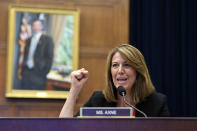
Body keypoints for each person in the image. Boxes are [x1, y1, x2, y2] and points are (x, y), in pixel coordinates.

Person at [59, 44, 169, 117]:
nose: (120, 71)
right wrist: (74, 90)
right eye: (115, 65)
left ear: (138, 71)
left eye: (127, 65)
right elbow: (65, 128)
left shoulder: (156, 103)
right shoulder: (99, 100)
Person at [21, 19, 54, 90]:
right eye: (34, 25)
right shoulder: (28, 40)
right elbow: (25, 56)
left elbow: (50, 58)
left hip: (39, 75)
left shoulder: (48, 40)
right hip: (26, 73)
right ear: (32, 27)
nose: (36, 27)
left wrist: (44, 72)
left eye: (38, 25)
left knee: (36, 100)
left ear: (42, 27)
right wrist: (23, 71)